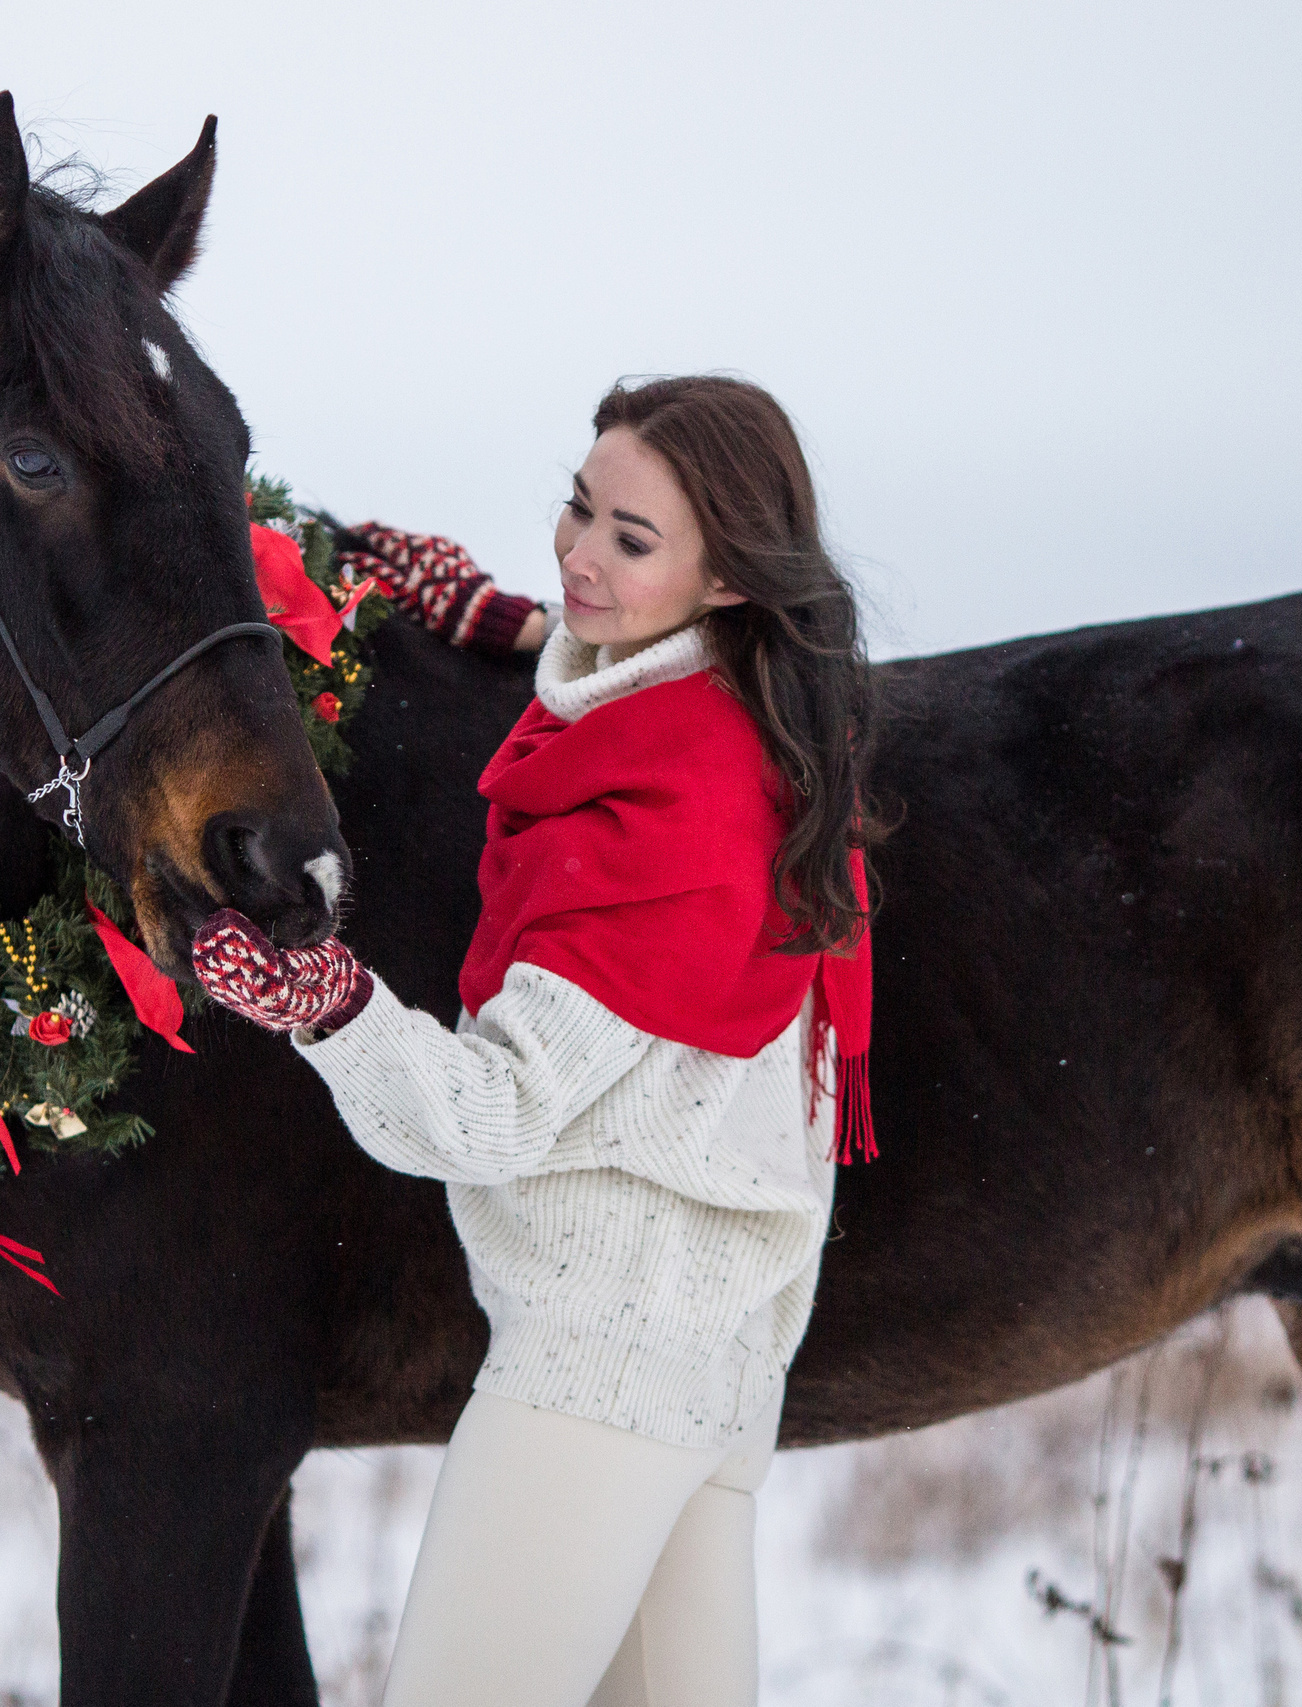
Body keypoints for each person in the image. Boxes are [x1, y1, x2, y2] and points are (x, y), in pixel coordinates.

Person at [190, 374, 880, 1707]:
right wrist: (516, 625)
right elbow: (628, 685)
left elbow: (490, 1117)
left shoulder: (655, 823)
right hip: (714, 1366)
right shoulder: (757, 737)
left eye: (631, 542)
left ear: (728, 578)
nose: (576, 554)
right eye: (579, 510)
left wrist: (317, 1002)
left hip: (600, 1367)